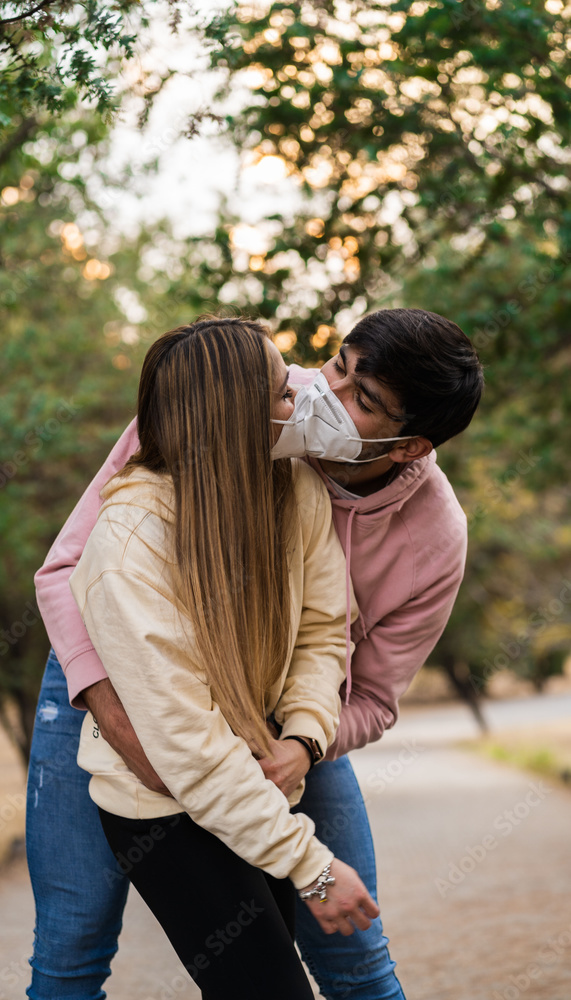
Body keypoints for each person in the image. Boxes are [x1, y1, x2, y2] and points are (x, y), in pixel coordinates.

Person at [27, 307, 484, 1000]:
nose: (319, 394)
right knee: (73, 942)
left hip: (281, 719)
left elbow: (360, 684)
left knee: (354, 954)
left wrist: (300, 743)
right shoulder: (227, 391)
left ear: (410, 446)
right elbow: (65, 572)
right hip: (113, 676)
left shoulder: (429, 538)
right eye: (337, 364)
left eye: (362, 399)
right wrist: (124, 722)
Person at [67, 316, 377, 999]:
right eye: (279, 394)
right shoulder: (127, 544)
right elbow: (187, 747)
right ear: (232, 417)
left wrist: (302, 732)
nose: (298, 402)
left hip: (261, 783)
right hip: (163, 805)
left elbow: (323, 630)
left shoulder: (292, 486)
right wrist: (312, 866)